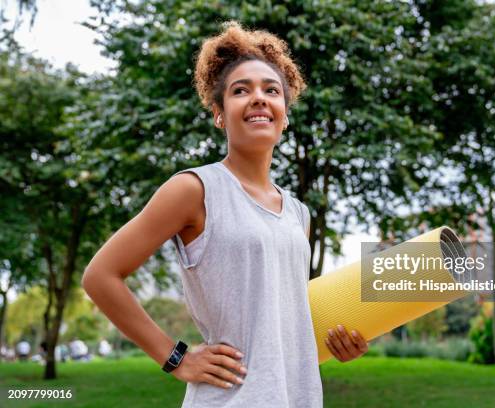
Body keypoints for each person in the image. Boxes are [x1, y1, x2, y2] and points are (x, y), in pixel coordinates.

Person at [82, 21, 368, 407]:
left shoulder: (299, 213)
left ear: (284, 115)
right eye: (240, 90)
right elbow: (100, 276)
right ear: (219, 114)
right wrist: (176, 357)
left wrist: (338, 343)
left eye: (271, 90)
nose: (259, 98)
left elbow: (278, 321)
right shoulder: (194, 189)